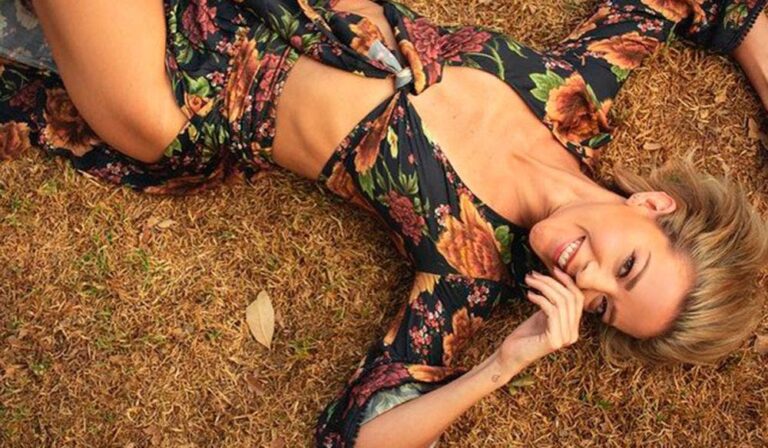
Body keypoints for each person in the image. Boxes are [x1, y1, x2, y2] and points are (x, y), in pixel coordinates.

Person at [1, 0, 767, 447]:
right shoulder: (575, 92)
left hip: (178, 88)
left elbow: (357, 435)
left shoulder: (473, 267)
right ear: (653, 207)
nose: (586, 277)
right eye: (626, 266)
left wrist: (505, 363)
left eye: (602, 307)